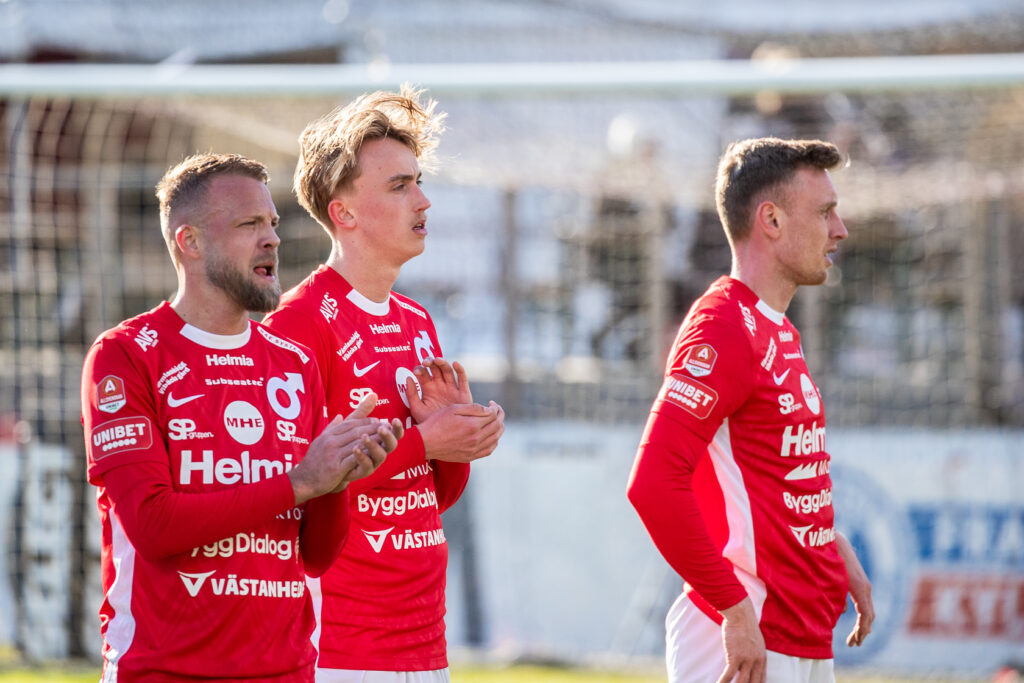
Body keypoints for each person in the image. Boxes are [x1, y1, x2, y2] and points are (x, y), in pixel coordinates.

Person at [81, 153, 404, 682]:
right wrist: (301, 482)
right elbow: (153, 527)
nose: (272, 239)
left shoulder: (295, 363)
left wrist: (338, 480)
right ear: (190, 242)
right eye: (248, 224)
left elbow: (315, 556)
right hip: (163, 672)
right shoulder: (126, 354)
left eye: (272, 223)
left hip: (287, 671)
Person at [262, 86, 505, 682]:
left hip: (424, 640)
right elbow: (298, 492)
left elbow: (428, 496)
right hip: (341, 647)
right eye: (399, 186)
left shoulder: (416, 320)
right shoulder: (297, 324)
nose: (423, 200)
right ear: (343, 213)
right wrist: (426, 441)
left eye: (418, 182)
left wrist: (457, 440)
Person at [626, 138, 875, 683]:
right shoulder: (722, 327)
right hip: (748, 635)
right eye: (825, 212)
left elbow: (768, 477)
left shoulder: (776, 328)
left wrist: (830, 544)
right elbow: (652, 481)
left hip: (798, 633)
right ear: (772, 220)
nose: (840, 230)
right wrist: (734, 608)